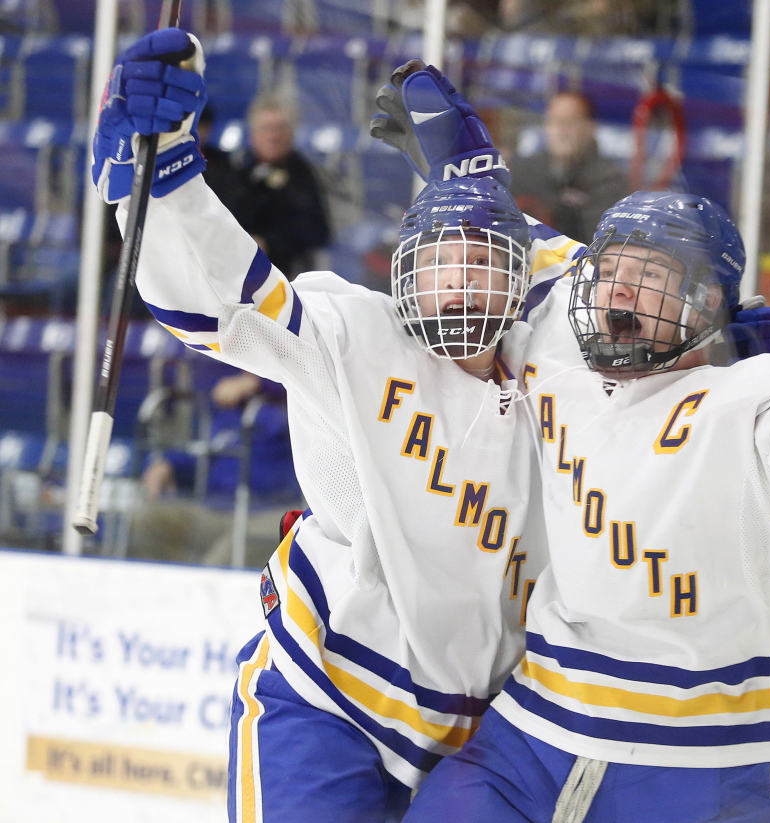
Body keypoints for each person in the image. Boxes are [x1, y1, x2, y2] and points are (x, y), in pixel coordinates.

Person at [383, 67, 770, 823]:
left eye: (648, 276)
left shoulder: (754, 393)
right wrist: (467, 174)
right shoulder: (557, 336)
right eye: (611, 271)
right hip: (536, 728)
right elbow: (533, 251)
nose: (617, 289)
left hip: (701, 756)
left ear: (705, 306)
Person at [91, 29, 545, 823]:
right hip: (323, 694)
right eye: (439, 261)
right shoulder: (353, 332)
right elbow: (225, 304)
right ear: (404, 272)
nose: (458, 282)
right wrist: (158, 182)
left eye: (483, 261)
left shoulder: (564, 390)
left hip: (477, 744)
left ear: (520, 279)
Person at [131, 370, 303, 568]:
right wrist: (168, 463)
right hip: (218, 508)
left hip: (272, 512)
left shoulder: (290, 406)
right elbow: (211, 453)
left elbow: (320, 383)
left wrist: (261, 382)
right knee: (152, 518)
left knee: (225, 555)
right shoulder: (230, 412)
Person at [229, 92, 333, 278]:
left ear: (292, 133)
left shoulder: (304, 175)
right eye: (266, 128)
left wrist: (268, 244)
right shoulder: (236, 170)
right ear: (253, 133)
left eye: (280, 128)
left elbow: (318, 232)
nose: (273, 136)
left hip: (287, 274)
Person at [508, 90, 631, 243]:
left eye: (571, 121)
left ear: (590, 127)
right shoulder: (524, 171)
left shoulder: (609, 180)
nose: (561, 130)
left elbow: (599, 242)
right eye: (554, 121)